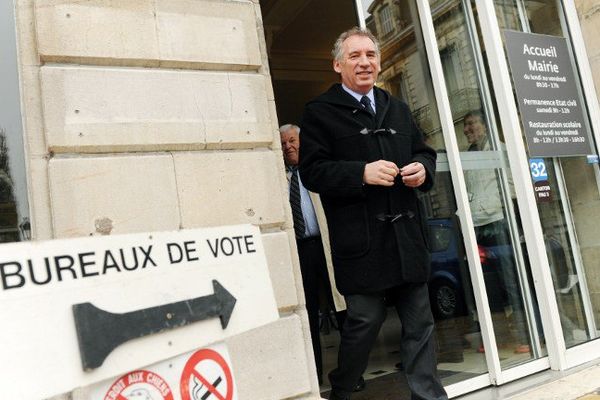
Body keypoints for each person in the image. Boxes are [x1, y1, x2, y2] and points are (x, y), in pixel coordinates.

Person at [299, 27, 447, 400]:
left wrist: (421, 168)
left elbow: (424, 151)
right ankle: (344, 390)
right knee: (364, 322)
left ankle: (429, 396)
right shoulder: (319, 113)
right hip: (361, 243)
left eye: (371, 55)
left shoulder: (395, 106)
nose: (365, 62)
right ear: (337, 64)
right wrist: (359, 173)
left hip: (407, 238)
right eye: (355, 56)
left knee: (420, 324)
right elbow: (312, 172)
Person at [280, 124, 365, 392]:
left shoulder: (316, 171)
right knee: (308, 315)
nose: (288, 147)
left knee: (343, 311)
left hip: (327, 247)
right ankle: (313, 379)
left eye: (292, 141)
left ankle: (353, 377)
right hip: (299, 251)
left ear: (302, 142)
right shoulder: (279, 177)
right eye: (283, 144)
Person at [462, 110, 530, 354]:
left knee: (511, 281)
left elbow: (513, 187)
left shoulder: (499, 149)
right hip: (476, 226)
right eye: (465, 126)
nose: (468, 129)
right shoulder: (467, 155)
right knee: (487, 285)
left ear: (485, 125)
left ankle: (526, 335)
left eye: (472, 124)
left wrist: (503, 210)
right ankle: (497, 337)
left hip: (499, 223)